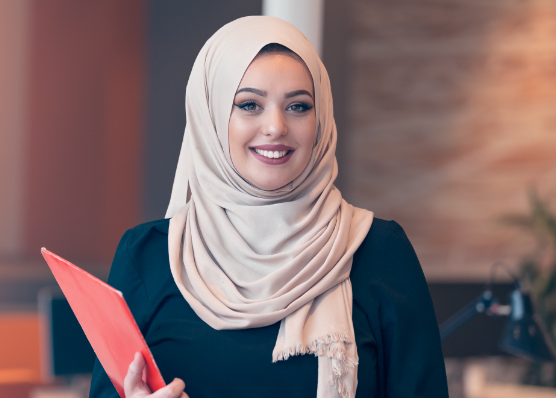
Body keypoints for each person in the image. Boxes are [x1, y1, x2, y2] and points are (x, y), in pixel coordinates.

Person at [90, 16, 448, 398]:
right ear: (210, 116)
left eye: (298, 106)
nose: (276, 126)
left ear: (321, 120)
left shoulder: (379, 253)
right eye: (249, 104)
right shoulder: (147, 257)